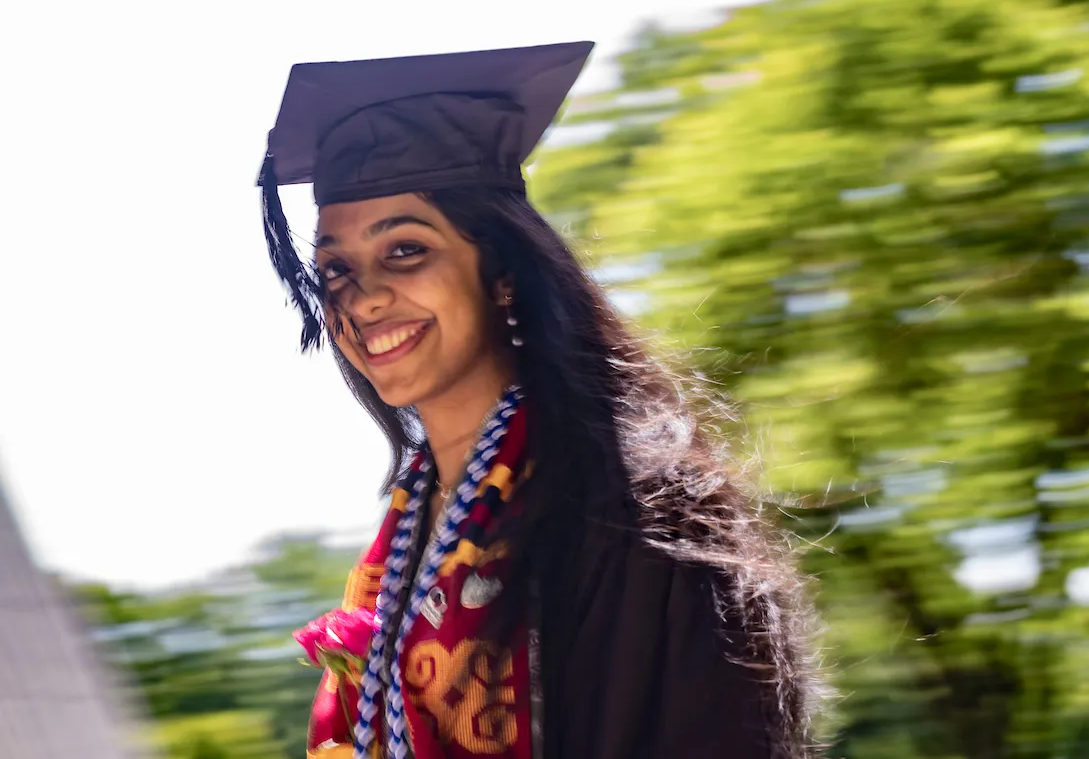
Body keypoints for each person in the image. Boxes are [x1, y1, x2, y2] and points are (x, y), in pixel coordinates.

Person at [257, 41, 824, 759]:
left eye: (405, 249)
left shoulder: (635, 510)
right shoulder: (400, 541)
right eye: (335, 268)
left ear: (502, 270)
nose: (362, 297)